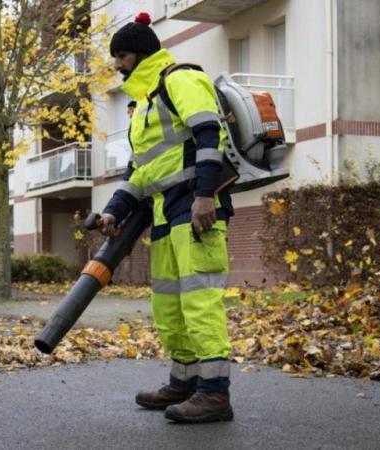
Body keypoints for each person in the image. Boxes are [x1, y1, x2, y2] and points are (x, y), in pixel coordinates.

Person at [100, 12, 236, 424]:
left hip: (195, 207)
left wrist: (204, 195)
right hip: (164, 212)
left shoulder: (181, 80)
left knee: (199, 301)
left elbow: (210, 134)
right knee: (170, 304)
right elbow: (140, 171)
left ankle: (214, 394)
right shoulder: (142, 106)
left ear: (140, 54)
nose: (118, 66)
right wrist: (113, 210)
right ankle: (185, 382)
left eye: (121, 56)